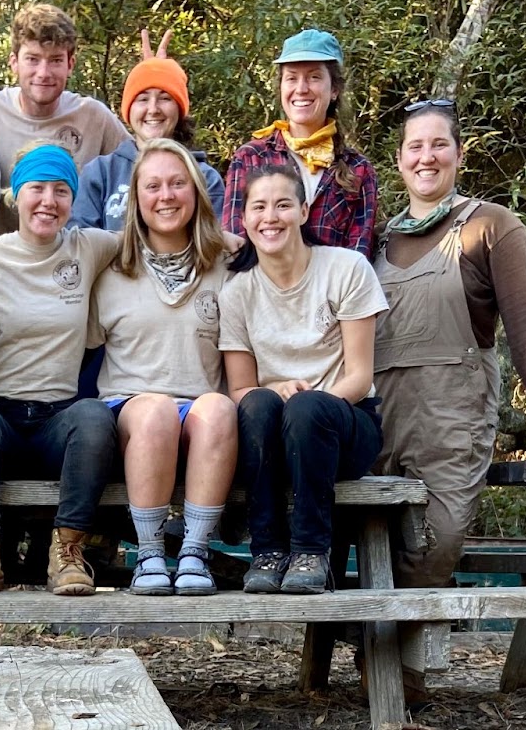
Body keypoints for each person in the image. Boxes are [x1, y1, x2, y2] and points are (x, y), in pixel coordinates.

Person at [376, 100, 526, 592]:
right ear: (400, 159)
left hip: (452, 416)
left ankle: (403, 667)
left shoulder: (491, 225)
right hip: (377, 417)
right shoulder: (376, 240)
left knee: (438, 540)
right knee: (371, 540)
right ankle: (377, 661)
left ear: (459, 154)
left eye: (439, 145)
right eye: (415, 146)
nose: (427, 157)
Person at [0, 144, 120, 597]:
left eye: (61, 191)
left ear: (72, 200)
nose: (48, 201)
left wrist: (228, 238)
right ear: (16, 195)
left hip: (59, 420)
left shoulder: (90, 246)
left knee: (95, 416)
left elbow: (158, 235)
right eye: (36, 188)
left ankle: (68, 553)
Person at [222, 164, 388, 594]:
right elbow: (240, 388)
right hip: (271, 433)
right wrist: (274, 390)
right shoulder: (237, 291)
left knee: (307, 408)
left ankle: (311, 550)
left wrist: (309, 407)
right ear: (244, 219)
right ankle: (268, 551)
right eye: (258, 207)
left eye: (282, 205)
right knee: (256, 404)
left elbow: (359, 376)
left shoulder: (346, 269)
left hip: (347, 425)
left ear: (303, 209)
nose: (270, 217)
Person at [91, 139, 235, 596]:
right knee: (153, 411)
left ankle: (195, 551)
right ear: (136, 199)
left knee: (218, 409)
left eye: (177, 184)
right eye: (152, 186)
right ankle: (149, 553)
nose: (166, 196)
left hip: (199, 411)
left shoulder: (229, 266)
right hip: (128, 409)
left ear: (195, 192)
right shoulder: (108, 265)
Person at [0, 3, 129, 238]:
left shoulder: (93, 117)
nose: (44, 73)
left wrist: (155, 98)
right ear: (14, 62)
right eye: (33, 59)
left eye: (55, 60)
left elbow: (142, 167)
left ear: (70, 65)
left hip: (70, 263)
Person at [221, 29, 378, 258]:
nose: (301, 89)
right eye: (292, 78)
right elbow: (235, 246)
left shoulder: (358, 170)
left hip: (333, 292)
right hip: (258, 289)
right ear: (281, 87)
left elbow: (358, 259)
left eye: (314, 77)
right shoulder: (250, 158)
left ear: (334, 89)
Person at [72, 31, 224, 231]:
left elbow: (215, 242)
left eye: (165, 98)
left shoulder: (204, 177)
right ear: (128, 110)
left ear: (179, 109)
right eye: (142, 99)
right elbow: (78, 242)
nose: (153, 109)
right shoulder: (101, 173)